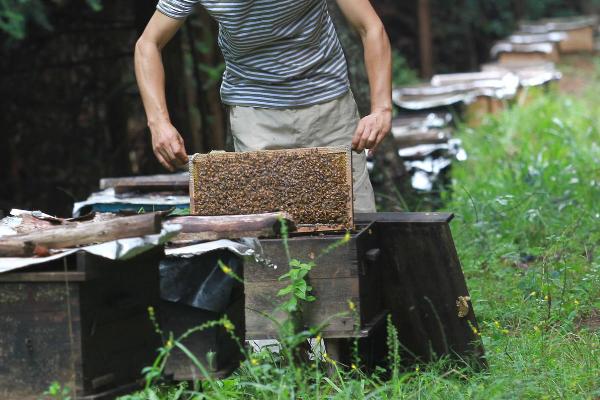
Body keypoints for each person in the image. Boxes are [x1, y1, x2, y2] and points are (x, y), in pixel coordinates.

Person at [135, 0, 392, 213]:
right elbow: (148, 44)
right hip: (254, 114)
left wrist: (381, 108)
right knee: (268, 235)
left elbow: (370, 27)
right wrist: (158, 123)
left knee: (355, 226)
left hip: (328, 104)